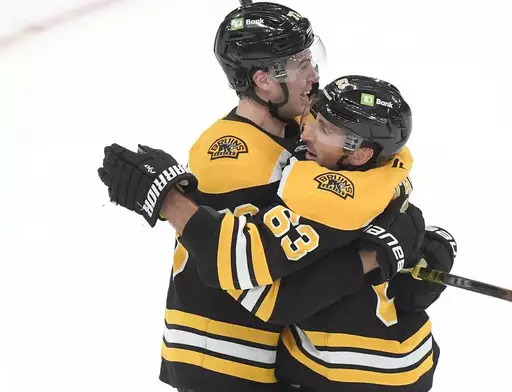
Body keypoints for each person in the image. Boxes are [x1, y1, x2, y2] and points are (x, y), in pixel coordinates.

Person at [96, 3, 454, 392]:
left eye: (311, 57)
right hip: (224, 359)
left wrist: (402, 246)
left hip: (272, 357)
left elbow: (327, 241)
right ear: (265, 80)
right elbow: (246, 270)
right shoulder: (233, 155)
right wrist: (378, 252)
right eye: (301, 63)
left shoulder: (303, 137)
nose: (314, 74)